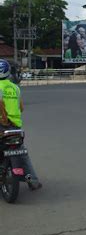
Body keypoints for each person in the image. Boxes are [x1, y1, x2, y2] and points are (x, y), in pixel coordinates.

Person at [0, 59, 42, 190]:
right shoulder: (15, 88)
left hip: (2, 125)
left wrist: (4, 118)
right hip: (16, 127)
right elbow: (21, 107)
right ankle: (33, 180)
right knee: (22, 153)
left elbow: (0, 104)